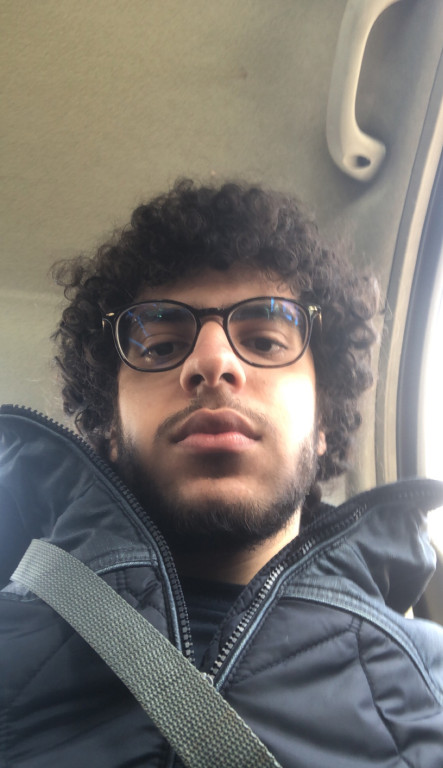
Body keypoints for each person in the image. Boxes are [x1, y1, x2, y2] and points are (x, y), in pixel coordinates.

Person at [1, 180, 442, 768]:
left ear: (323, 425)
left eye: (264, 339)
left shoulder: (432, 690)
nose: (213, 362)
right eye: (161, 347)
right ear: (110, 430)